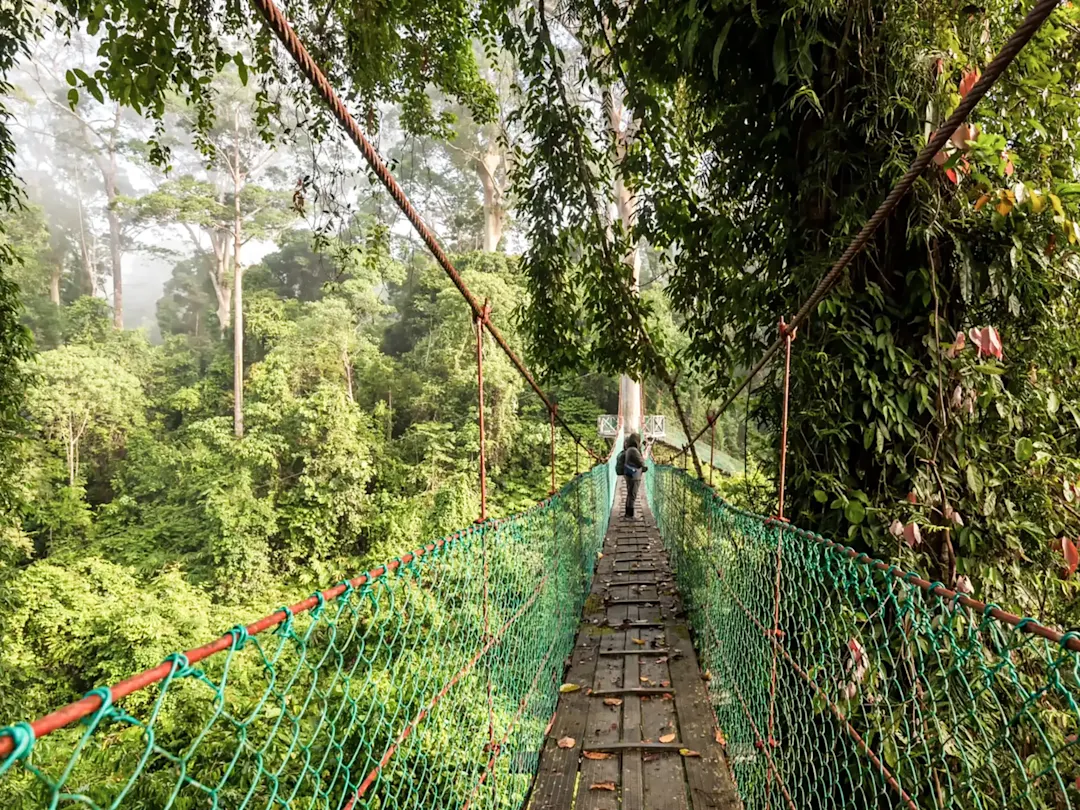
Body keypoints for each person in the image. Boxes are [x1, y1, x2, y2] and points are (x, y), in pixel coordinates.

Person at [622, 432, 647, 519]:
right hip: (634, 475)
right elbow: (641, 462)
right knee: (633, 495)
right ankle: (631, 515)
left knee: (629, 494)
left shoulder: (629, 449)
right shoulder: (634, 450)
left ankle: (628, 514)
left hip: (629, 474)